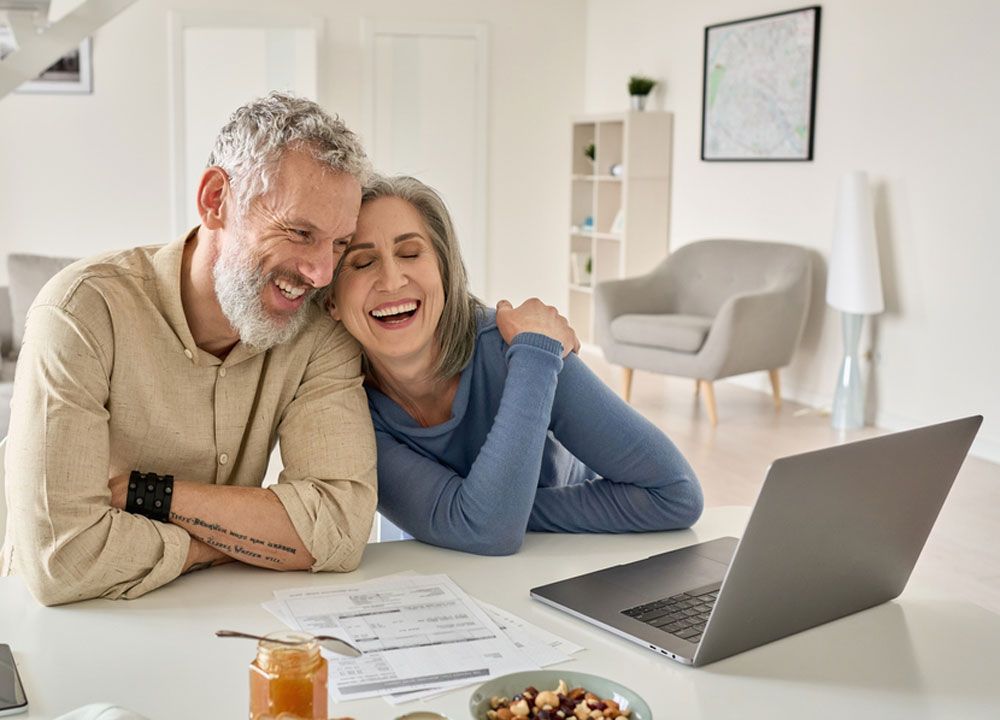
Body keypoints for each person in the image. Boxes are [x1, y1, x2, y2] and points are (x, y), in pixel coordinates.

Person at [1, 92, 378, 606]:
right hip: (63, 628)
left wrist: (147, 494)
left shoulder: (318, 334)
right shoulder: (81, 311)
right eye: (299, 232)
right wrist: (234, 542)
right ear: (215, 200)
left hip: (209, 620)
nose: (321, 273)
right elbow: (62, 560)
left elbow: (339, 527)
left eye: (338, 243)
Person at [328, 175, 703, 555]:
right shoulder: (344, 409)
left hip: (571, 562)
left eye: (410, 253)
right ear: (331, 302)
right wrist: (486, 513)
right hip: (447, 576)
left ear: (444, 270)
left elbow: (676, 494)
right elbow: (486, 529)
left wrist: (489, 511)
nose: (392, 280)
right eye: (361, 263)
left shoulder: (523, 349)